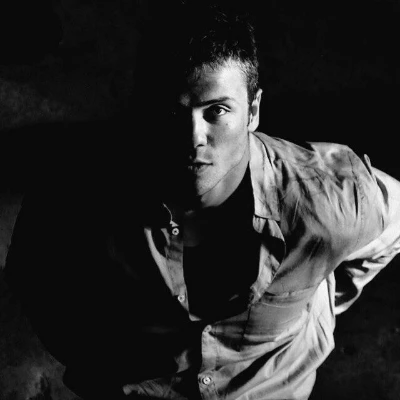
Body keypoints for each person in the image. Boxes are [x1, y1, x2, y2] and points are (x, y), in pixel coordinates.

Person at [5, 2, 400, 399]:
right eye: (172, 112)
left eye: (216, 111)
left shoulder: (328, 198)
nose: (193, 137)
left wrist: (320, 300)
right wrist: (101, 362)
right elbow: (40, 286)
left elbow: (392, 227)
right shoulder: (74, 198)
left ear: (253, 111)